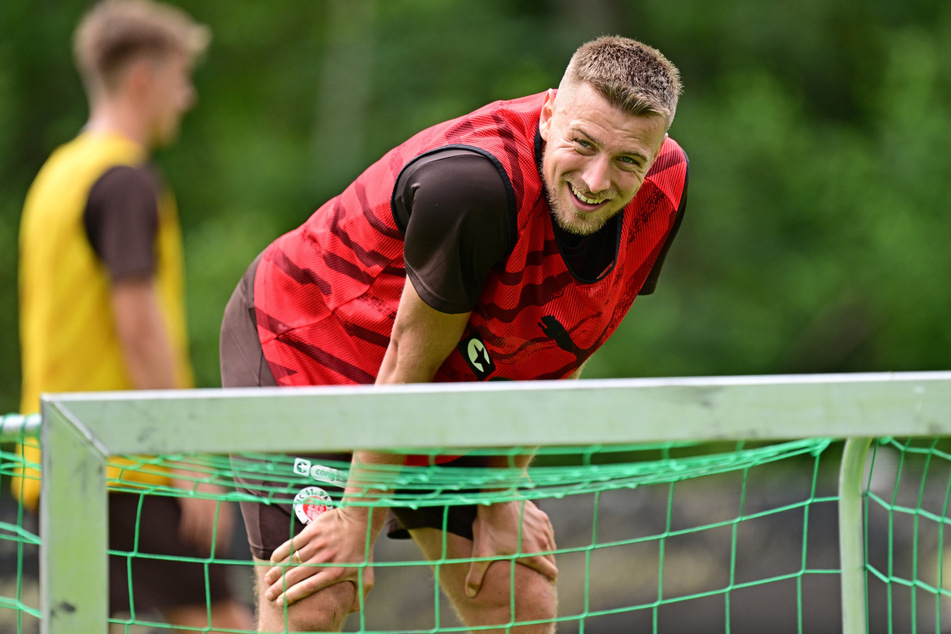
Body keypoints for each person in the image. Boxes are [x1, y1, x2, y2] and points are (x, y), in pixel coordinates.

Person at [220, 35, 688, 632]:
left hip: (456, 371)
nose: (598, 180)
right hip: (313, 348)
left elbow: (571, 338)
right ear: (547, 113)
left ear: (656, 154)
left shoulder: (664, 190)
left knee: (515, 598)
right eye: (582, 144)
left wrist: (501, 489)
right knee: (315, 598)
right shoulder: (474, 186)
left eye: (628, 161)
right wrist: (358, 523)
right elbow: (407, 367)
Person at [13, 1, 253, 631]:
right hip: (127, 460)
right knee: (221, 620)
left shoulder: (56, 177)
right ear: (143, 80)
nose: (188, 96)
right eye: (180, 78)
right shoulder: (124, 181)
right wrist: (187, 457)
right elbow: (139, 327)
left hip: (57, 459)